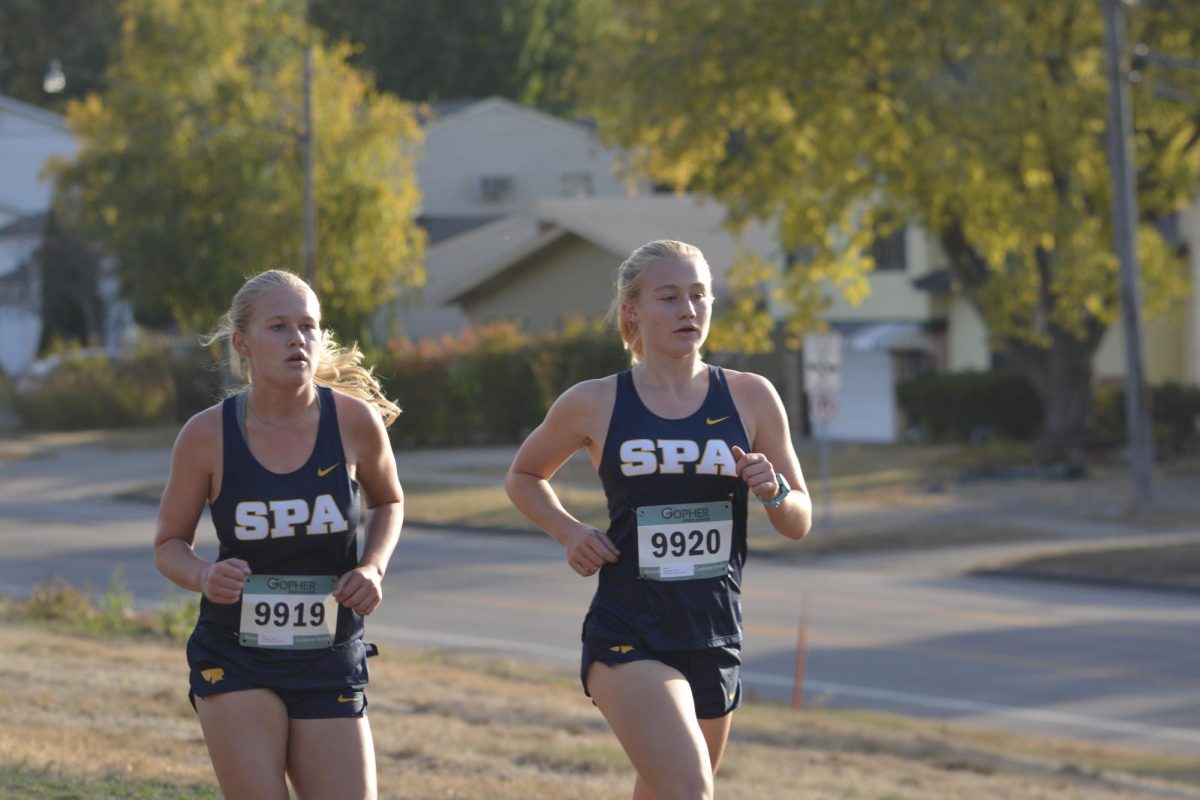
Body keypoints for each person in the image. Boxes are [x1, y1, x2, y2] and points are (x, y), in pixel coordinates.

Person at [506, 240, 811, 800]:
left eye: (698, 296)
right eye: (668, 297)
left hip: (714, 629)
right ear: (633, 311)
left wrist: (775, 490)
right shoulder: (594, 401)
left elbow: (798, 520)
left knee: (666, 792)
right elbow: (524, 476)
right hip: (629, 630)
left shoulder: (751, 396)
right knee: (690, 789)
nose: (688, 311)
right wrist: (569, 531)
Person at [154, 269, 403, 800]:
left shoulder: (355, 423)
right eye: (279, 326)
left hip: (329, 650)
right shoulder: (206, 435)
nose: (298, 339)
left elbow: (389, 501)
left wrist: (372, 566)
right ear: (242, 343)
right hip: (237, 652)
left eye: (309, 326)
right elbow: (168, 545)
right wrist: (204, 575)